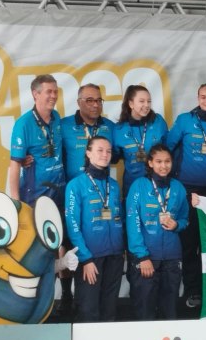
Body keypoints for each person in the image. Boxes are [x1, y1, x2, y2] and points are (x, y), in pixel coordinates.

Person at [167, 83, 206, 309]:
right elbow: (168, 147)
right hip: (188, 190)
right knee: (190, 244)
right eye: (203, 97)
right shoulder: (184, 120)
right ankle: (193, 291)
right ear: (198, 98)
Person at [64, 136, 124, 322]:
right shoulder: (75, 185)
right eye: (99, 150)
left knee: (110, 309)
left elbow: (118, 218)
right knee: (88, 310)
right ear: (88, 153)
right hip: (90, 258)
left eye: (108, 151)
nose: (105, 155)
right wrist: (86, 258)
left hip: (114, 256)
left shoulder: (113, 186)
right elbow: (72, 224)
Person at [126, 144, 189, 320]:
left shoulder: (178, 187)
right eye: (159, 161)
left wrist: (177, 224)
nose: (164, 166)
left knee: (169, 311)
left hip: (172, 257)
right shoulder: (139, 186)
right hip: (147, 258)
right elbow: (133, 223)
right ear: (150, 163)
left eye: (167, 161)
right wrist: (142, 256)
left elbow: (185, 219)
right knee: (144, 310)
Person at [9, 74, 65, 207]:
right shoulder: (23, 124)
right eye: (49, 92)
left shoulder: (56, 117)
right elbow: (15, 165)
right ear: (36, 94)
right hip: (35, 194)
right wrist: (16, 203)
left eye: (55, 91)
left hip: (59, 190)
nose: (54, 96)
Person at [113, 85, 168, 198]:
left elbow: (168, 149)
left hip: (159, 183)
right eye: (142, 101)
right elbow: (115, 156)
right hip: (132, 184)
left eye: (149, 101)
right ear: (131, 104)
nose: (146, 105)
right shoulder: (119, 129)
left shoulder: (158, 122)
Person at [61, 84, 115, 181]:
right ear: (79, 102)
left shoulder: (110, 126)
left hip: (103, 188)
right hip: (74, 189)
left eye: (99, 100)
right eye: (90, 100)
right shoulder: (63, 126)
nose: (95, 105)